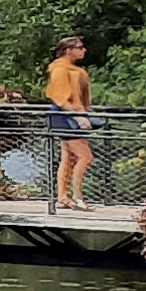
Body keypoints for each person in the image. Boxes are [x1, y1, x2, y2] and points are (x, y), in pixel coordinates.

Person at [48, 36, 98, 212]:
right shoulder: (60, 69)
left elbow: (81, 96)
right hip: (65, 116)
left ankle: (62, 197)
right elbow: (59, 97)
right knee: (85, 156)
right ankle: (77, 197)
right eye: (79, 47)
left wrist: (86, 112)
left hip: (73, 114)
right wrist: (77, 116)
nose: (83, 50)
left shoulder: (75, 70)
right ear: (68, 50)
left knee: (69, 158)